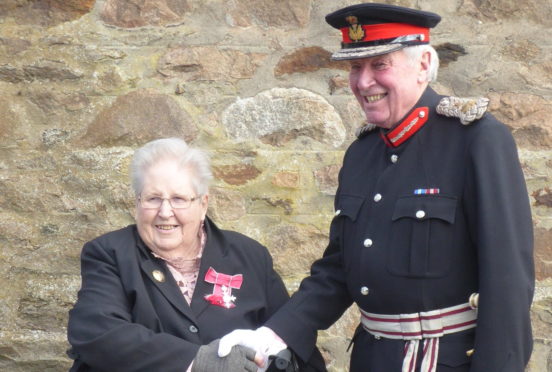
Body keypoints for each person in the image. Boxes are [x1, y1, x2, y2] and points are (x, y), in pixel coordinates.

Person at [218, 3, 535, 372]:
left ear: (423, 65)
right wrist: (273, 335)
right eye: (355, 67)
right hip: (371, 358)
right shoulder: (362, 153)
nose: (363, 82)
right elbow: (339, 268)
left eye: (379, 65)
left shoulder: (477, 140)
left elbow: (507, 280)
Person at [66, 138, 326, 372]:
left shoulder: (250, 256)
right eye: (153, 198)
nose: (165, 212)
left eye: (179, 199)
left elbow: (288, 336)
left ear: (203, 204)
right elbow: (98, 333)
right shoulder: (109, 253)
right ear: (137, 203)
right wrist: (197, 361)